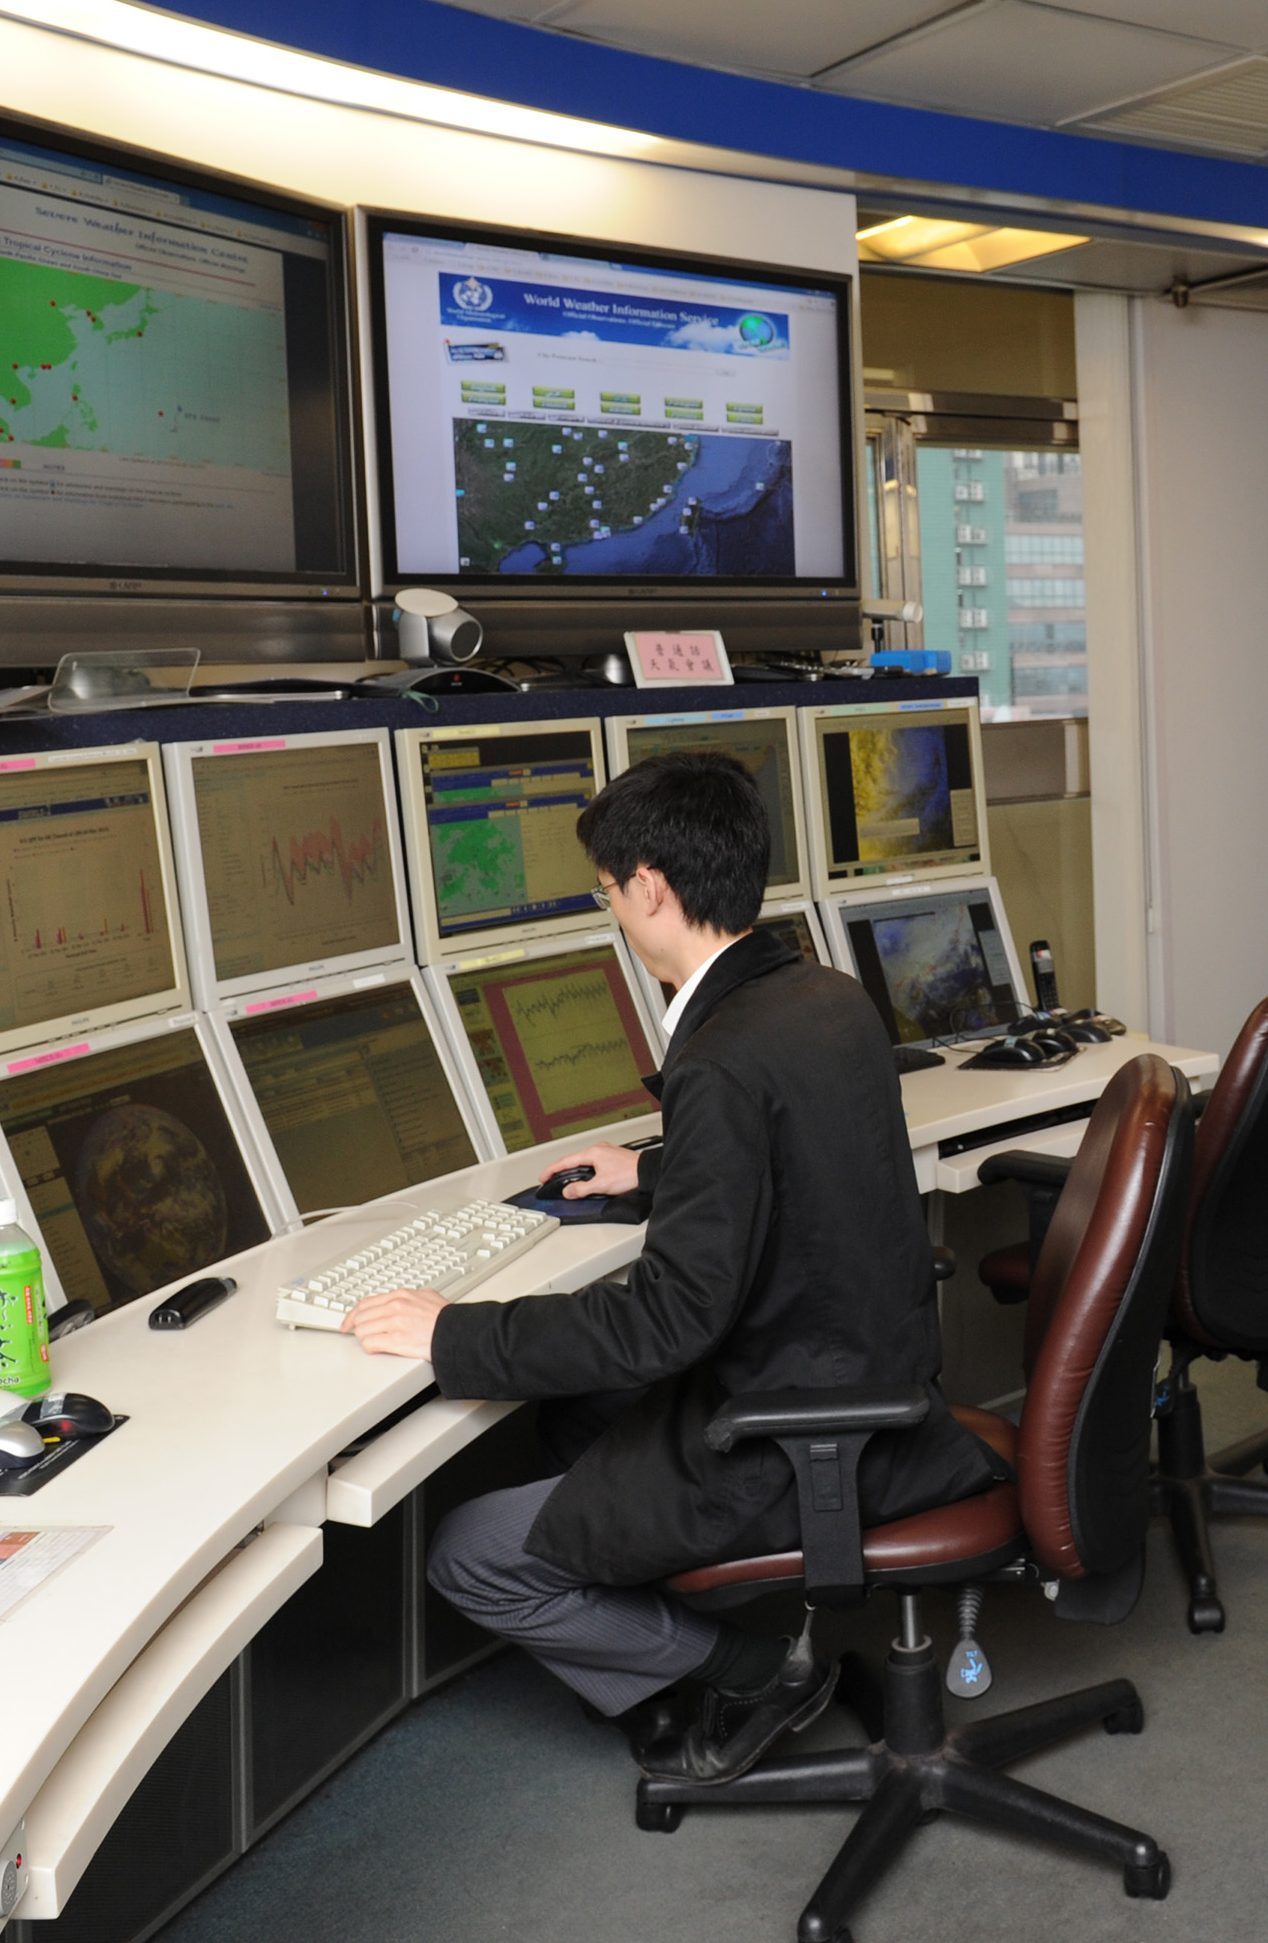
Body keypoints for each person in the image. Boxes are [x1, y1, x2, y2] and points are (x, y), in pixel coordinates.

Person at [342, 752, 1003, 1786]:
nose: (610, 909)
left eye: (606, 890)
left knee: (468, 1551)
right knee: (571, 1422)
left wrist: (449, 1334)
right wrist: (656, 1168)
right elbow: (796, 1164)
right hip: (867, 1377)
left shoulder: (721, 1055)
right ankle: (673, 1631)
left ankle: (752, 1666)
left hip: (791, 1426)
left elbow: (668, 1322)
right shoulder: (823, 996)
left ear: (649, 886)